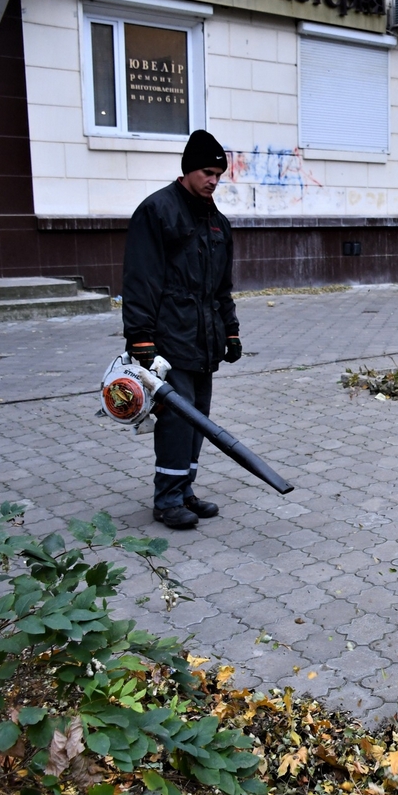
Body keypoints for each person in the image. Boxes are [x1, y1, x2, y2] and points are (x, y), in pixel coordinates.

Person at [122, 130, 241, 529]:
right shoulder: (158, 212)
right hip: (167, 339)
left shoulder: (216, 223)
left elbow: (221, 287)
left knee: (198, 420)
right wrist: (140, 339)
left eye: (219, 175)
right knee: (175, 420)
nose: (213, 180)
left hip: (204, 338)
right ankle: (167, 499)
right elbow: (141, 278)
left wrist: (231, 330)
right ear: (189, 169)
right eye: (208, 172)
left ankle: (185, 490)